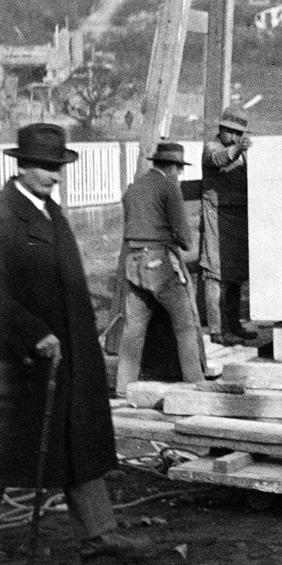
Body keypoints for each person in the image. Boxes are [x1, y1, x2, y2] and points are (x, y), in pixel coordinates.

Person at [0, 124, 150, 562]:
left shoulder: (50, 211)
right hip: (20, 360)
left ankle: (99, 533)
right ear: (22, 166)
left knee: (78, 440)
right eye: (46, 167)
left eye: (58, 167)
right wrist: (34, 334)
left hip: (67, 354)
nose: (55, 175)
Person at [115, 142, 205, 397]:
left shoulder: (133, 189)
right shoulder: (169, 187)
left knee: (134, 329)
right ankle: (195, 384)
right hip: (160, 262)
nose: (179, 174)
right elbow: (184, 236)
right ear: (174, 168)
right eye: (179, 169)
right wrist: (186, 243)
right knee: (185, 324)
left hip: (132, 262)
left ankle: (123, 388)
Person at [199, 106, 256, 345]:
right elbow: (218, 159)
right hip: (216, 217)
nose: (232, 137)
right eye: (229, 132)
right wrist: (236, 149)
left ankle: (233, 324)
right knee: (215, 274)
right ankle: (216, 330)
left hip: (238, 217)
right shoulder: (212, 148)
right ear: (220, 130)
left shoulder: (241, 153)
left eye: (237, 133)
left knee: (235, 275)